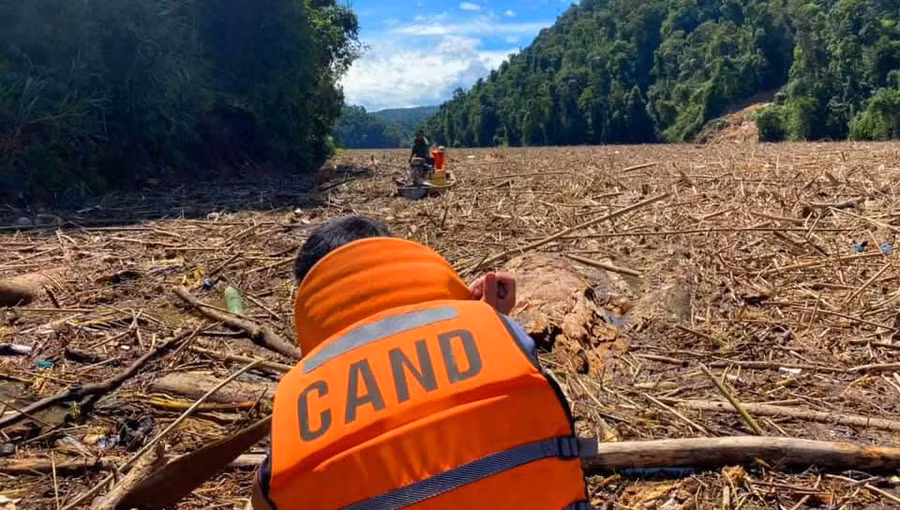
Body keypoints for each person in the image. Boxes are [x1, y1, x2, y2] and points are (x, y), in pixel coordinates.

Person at [251, 215, 592, 510]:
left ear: (311, 295)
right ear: (392, 261)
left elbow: (267, 498)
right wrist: (491, 320)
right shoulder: (501, 332)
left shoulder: (296, 402)